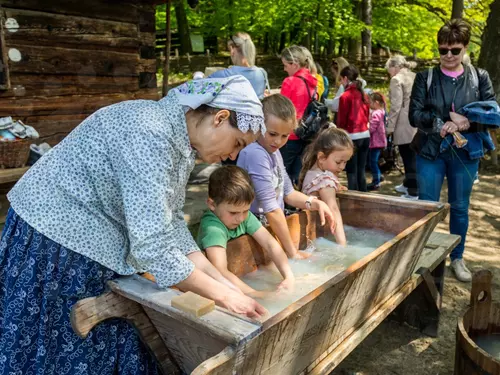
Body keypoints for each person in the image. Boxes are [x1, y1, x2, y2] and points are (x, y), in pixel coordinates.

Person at [0, 76, 269, 375]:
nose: (233, 156)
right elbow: (153, 247)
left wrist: (226, 284)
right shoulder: (150, 133)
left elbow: (169, 224)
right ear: (220, 118)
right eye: (238, 144)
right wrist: (225, 297)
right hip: (54, 239)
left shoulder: (178, 142)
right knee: (59, 346)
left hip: (90, 237)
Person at [409, 19, 497, 282]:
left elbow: (492, 114)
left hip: (465, 152)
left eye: (455, 50)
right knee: (427, 206)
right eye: (443, 50)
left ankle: (457, 257)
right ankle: (422, 255)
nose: (448, 55)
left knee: (460, 207)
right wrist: (441, 124)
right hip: (430, 151)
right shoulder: (425, 78)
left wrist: (466, 121)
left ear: (465, 48)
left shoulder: (480, 77)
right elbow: (415, 114)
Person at [237, 94, 335, 259]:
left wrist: (314, 203)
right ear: (259, 125)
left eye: (285, 136)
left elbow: (288, 193)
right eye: (273, 134)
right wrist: (292, 253)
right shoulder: (255, 153)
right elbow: (271, 209)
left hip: (270, 228)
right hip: (252, 232)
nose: (278, 141)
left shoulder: (273, 152)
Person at [197, 165, 294, 298]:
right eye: (233, 212)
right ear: (212, 204)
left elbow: (271, 244)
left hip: (240, 278)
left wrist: (288, 276)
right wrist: (254, 293)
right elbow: (220, 271)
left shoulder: (244, 216)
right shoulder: (213, 228)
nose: (241, 218)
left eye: (246, 210)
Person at [298, 128, 354, 245]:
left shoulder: (312, 173)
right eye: (338, 162)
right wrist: (343, 244)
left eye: (345, 162)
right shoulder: (325, 179)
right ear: (321, 157)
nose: (342, 167)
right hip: (320, 235)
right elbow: (333, 209)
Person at [279, 45, 318, 184]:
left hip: (289, 134)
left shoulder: (289, 82)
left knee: (281, 175)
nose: (284, 69)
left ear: (294, 64)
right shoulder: (312, 82)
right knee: (297, 175)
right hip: (306, 134)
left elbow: (281, 109)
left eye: (285, 65)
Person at [385, 55, 418, 199]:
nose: (389, 73)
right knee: (413, 155)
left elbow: (396, 106)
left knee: (407, 156)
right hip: (417, 120)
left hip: (403, 122)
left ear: (395, 67)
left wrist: (389, 127)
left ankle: (413, 191)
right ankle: (407, 183)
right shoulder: (414, 76)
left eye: (389, 69)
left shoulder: (396, 79)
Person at [336, 65, 370, 192]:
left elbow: (341, 120)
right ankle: (364, 196)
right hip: (365, 135)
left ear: (345, 78)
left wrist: (339, 134)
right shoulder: (364, 94)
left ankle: (353, 199)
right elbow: (367, 115)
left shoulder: (345, 96)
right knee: (361, 170)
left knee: (351, 171)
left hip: (352, 137)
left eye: (341, 79)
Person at [209, 32, 269, 100]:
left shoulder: (221, 76)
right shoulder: (261, 73)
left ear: (232, 50)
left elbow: (197, 91)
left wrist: (198, 76)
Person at [367, 92, 388, 191]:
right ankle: (379, 176)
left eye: (370, 102)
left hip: (375, 142)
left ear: (376, 102)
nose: (369, 104)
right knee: (375, 161)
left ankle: (376, 182)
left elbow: (372, 128)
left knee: (373, 162)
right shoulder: (382, 111)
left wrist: (366, 126)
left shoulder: (376, 113)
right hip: (380, 141)